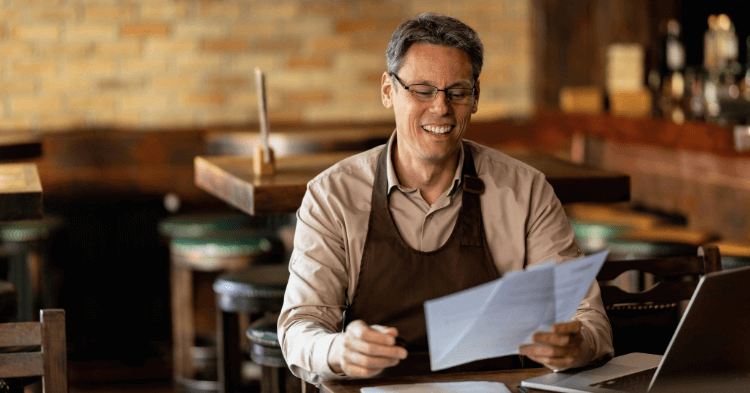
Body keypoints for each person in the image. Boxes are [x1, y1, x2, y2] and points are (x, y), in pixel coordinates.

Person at [278, 12, 614, 385]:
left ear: (475, 98)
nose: (441, 108)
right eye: (422, 90)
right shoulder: (332, 196)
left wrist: (573, 347)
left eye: (457, 92)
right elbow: (299, 327)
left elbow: (590, 320)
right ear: (389, 91)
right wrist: (339, 350)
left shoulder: (526, 191)